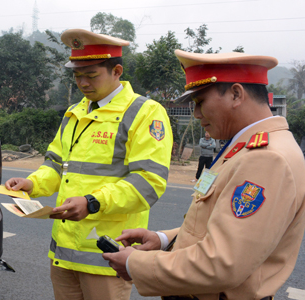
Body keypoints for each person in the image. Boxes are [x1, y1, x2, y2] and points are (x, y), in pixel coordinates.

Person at [102, 50, 305, 300]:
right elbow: (224, 227)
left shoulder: (266, 158)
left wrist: (136, 264)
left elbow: (223, 262)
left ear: (236, 94)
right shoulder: (248, 145)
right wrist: (164, 239)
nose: (196, 114)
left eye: (200, 103)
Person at [5, 28, 173, 300]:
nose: (83, 83)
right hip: (63, 253)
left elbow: (148, 182)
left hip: (106, 256)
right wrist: (31, 184)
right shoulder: (74, 113)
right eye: (77, 75)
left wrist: (92, 202)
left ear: (117, 71)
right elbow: (56, 165)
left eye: (91, 75)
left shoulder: (144, 113)